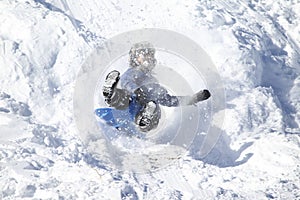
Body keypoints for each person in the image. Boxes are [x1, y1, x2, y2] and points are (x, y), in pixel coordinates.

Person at [96, 42, 211, 133]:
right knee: (124, 98)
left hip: (139, 112)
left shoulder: (154, 83)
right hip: (127, 105)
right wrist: (137, 90)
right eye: (143, 55)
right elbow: (126, 81)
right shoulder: (133, 72)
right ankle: (111, 95)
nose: (148, 58)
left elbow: (169, 100)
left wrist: (192, 99)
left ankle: (145, 118)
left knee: (153, 106)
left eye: (150, 55)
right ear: (135, 58)